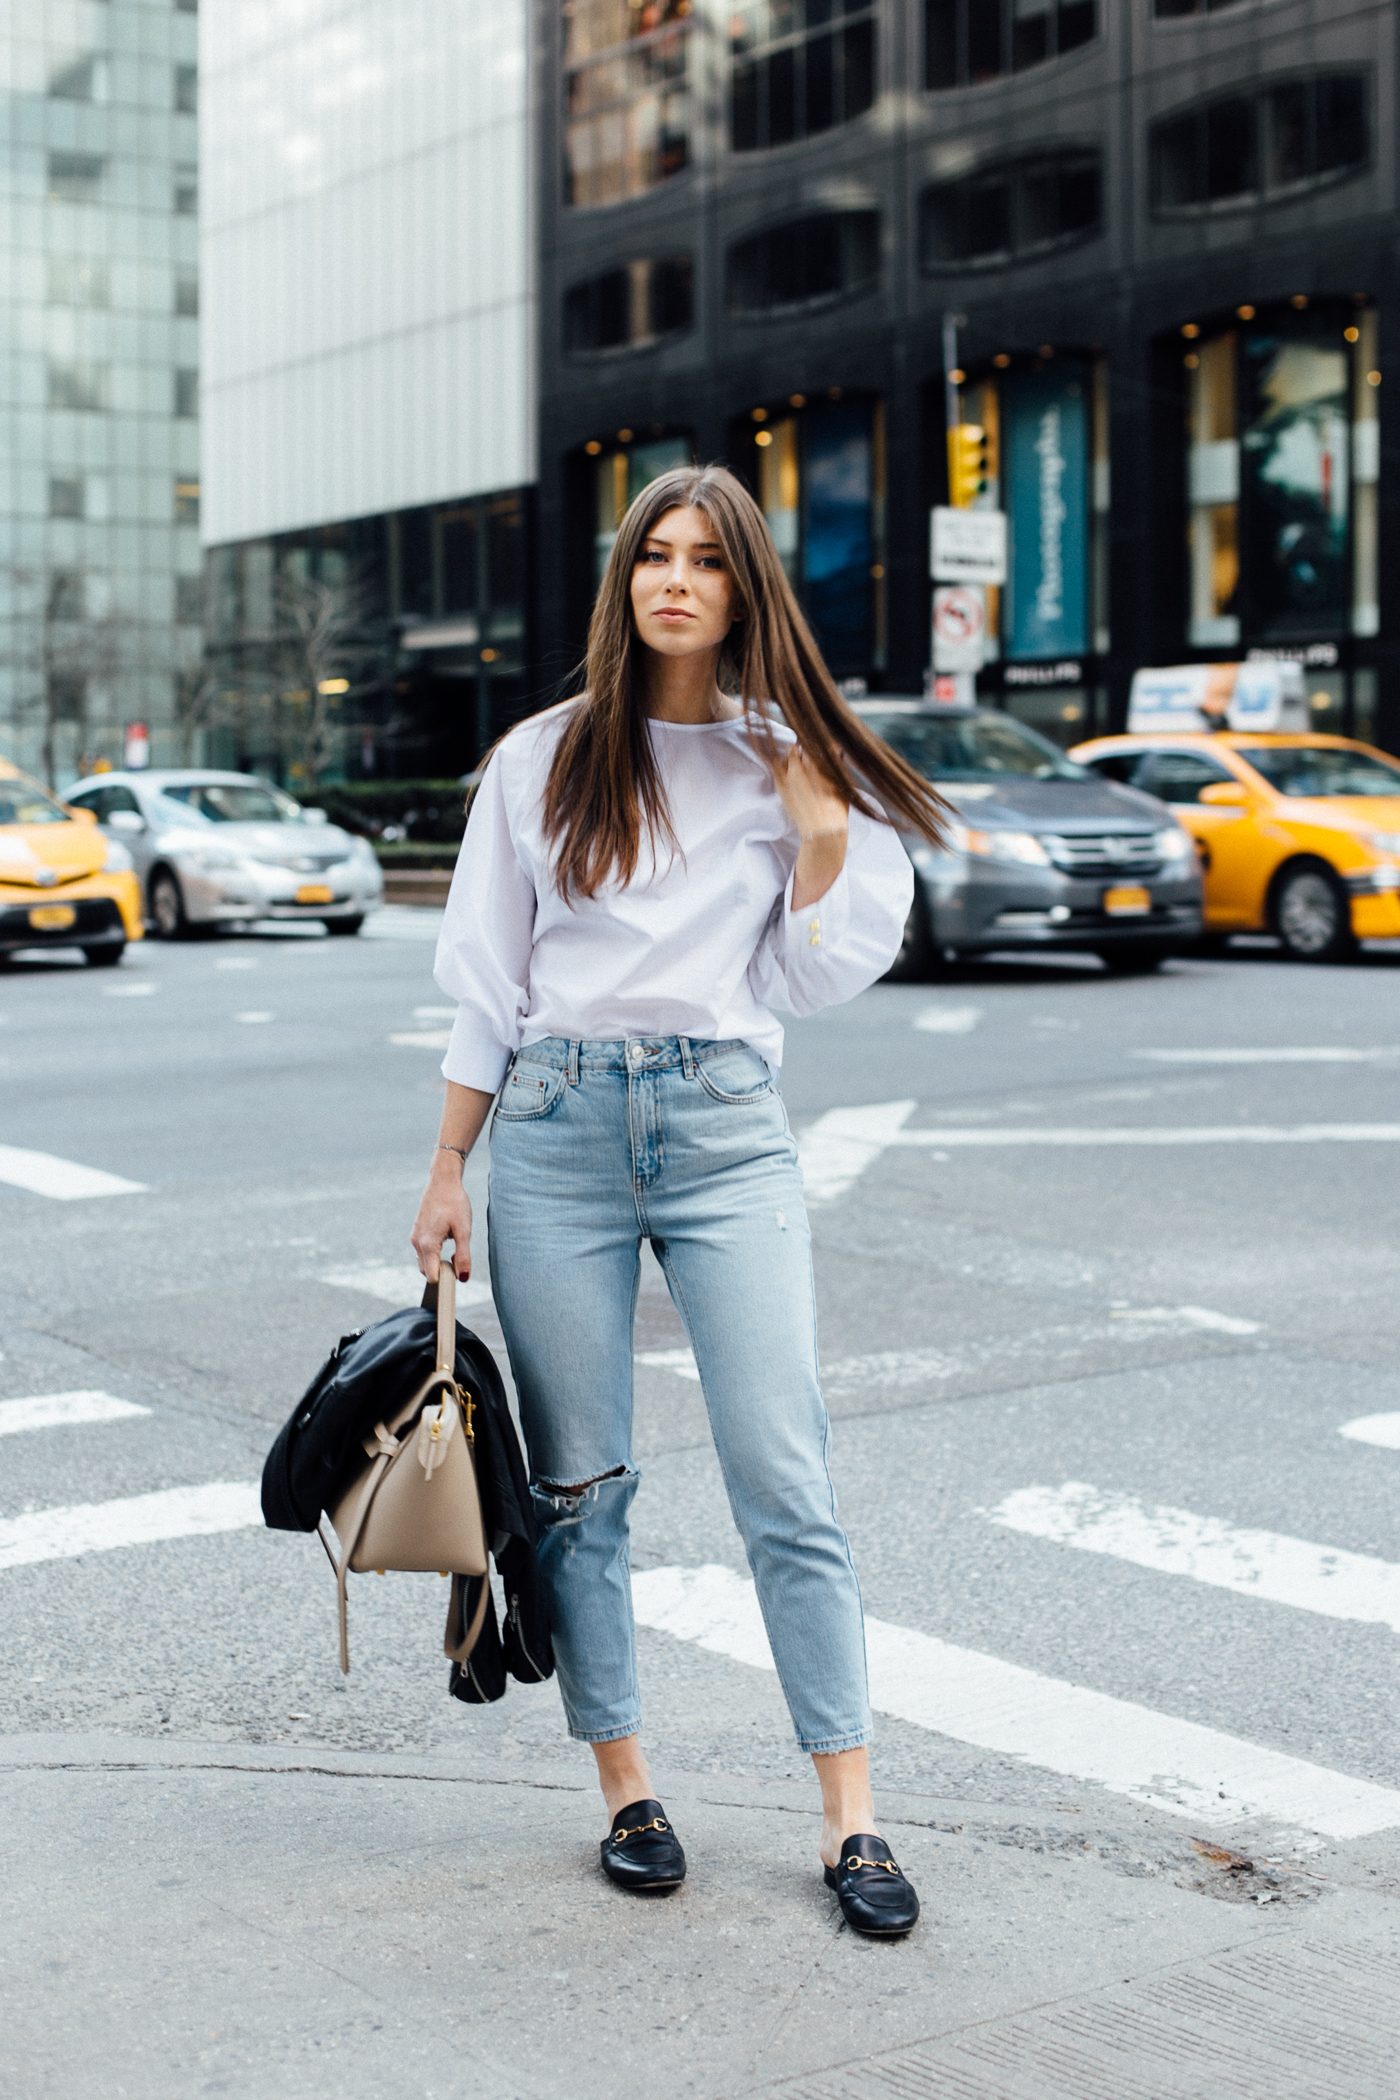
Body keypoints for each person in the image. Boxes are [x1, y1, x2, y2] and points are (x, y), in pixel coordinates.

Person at [411, 464, 947, 1935]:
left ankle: (853, 1818)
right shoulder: (542, 758)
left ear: (744, 589)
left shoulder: (789, 758)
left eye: (708, 561)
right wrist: (450, 1166)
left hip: (722, 1120)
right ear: (623, 580)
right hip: (556, 1125)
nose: (676, 581)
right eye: (655, 554)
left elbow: (806, 978)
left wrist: (822, 841)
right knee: (584, 1486)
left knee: (788, 1473)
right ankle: (628, 1787)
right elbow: (487, 991)